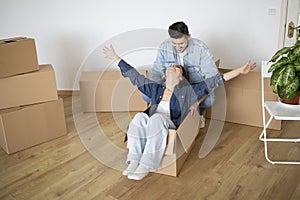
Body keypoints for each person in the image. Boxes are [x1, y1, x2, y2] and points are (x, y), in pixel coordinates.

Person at [103, 44, 256, 181]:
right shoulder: (156, 88)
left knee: (156, 118)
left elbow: (214, 81)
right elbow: (134, 76)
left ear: (181, 76)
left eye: (177, 68)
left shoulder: (187, 92)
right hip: (152, 124)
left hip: (169, 125)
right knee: (139, 117)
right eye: (171, 67)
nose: (172, 67)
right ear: (165, 74)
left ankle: (146, 164)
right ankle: (134, 160)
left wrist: (239, 71)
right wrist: (116, 58)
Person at [149, 21, 220, 128]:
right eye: (174, 43)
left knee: (209, 100)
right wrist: (153, 97)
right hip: (172, 88)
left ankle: (198, 114)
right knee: (146, 95)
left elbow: (213, 79)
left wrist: (197, 102)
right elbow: (156, 74)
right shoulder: (164, 47)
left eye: (181, 43)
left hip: (194, 88)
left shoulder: (200, 49)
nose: (177, 47)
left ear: (188, 37)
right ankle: (166, 115)